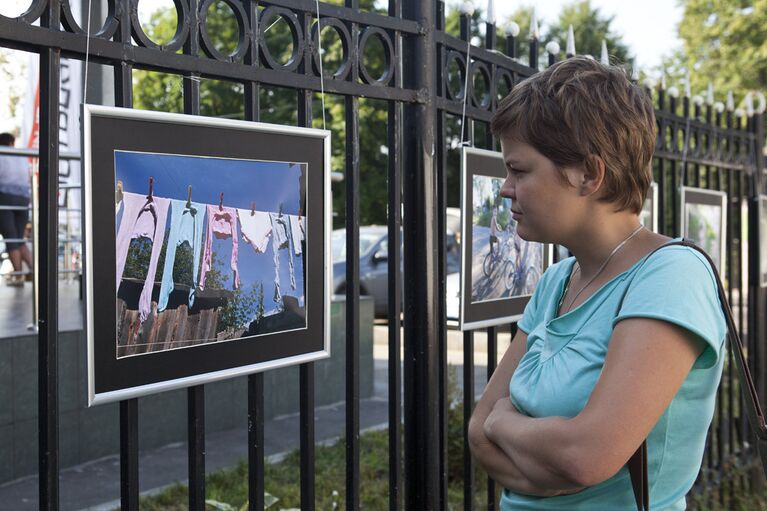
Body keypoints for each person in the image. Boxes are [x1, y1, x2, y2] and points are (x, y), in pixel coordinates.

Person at [468, 57, 726, 509]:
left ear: (588, 174)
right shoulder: (556, 281)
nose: (504, 188)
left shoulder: (671, 276)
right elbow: (477, 434)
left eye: (520, 170)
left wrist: (504, 424)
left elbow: (587, 456)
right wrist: (546, 458)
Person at [0, 132, 33, 286]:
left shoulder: (2, 154)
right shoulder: (21, 156)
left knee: (11, 239)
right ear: (12, 142)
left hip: (4, 198)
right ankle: (35, 272)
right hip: (23, 200)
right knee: (19, 239)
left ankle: (18, 276)